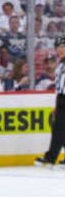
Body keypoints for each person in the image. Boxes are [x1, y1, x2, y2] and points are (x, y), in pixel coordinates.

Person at [35, 36, 65, 168]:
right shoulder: (61, 62)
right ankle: (51, 157)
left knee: (58, 129)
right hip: (62, 98)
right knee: (58, 128)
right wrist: (57, 102)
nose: (60, 49)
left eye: (62, 46)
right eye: (58, 47)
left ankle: (50, 158)